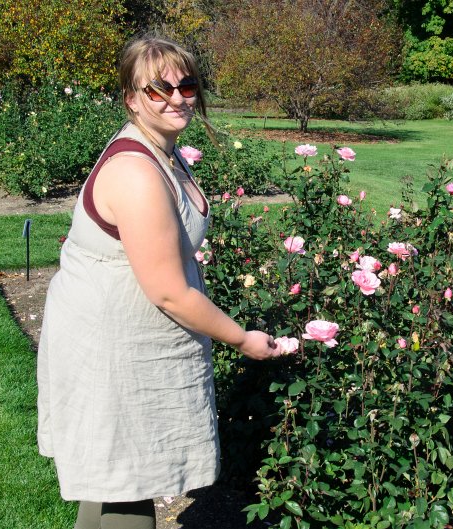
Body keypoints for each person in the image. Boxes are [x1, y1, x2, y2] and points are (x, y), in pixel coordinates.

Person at [36, 35, 279, 529]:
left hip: (131, 334)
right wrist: (242, 339)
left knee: (114, 475)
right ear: (131, 99)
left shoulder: (162, 149)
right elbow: (167, 290)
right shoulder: (136, 172)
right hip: (113, 345)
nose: (176, 97)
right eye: (157, 89)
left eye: (186, 84)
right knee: (128, 481)